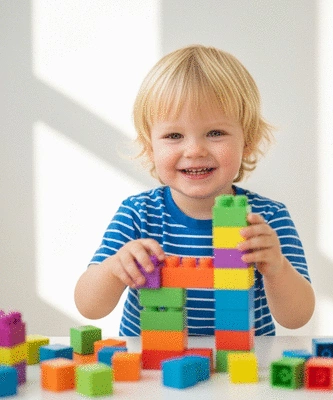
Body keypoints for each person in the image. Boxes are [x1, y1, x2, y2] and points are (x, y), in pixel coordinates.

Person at [74, 45, 315, 336]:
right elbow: (89, 306)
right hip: (155, 370)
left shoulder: (266, 219)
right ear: (151, 149)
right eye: (174, 135)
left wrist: (276, 268)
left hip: (240, 370)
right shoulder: (138, 214)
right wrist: (115, 268)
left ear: (248, 140)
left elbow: (297, 318)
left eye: (215, 133)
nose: (194, 150)